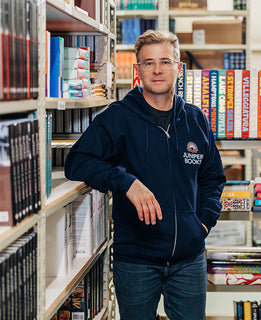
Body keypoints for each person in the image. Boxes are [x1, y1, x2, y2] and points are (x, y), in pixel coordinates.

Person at [65, 30, 226, 320]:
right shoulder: (118, 117)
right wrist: (125, 182)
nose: (157, 70)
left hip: (189, 259)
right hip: (136, 260)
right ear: (137, 70)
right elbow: (77, 161)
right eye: (148, 63)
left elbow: (212, 178)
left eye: (165, 61)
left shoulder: (195, 119)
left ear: (178, 67)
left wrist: (202, 224)